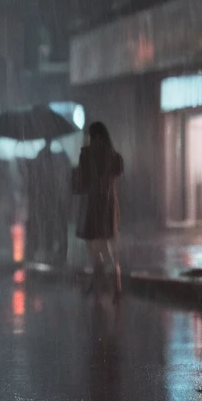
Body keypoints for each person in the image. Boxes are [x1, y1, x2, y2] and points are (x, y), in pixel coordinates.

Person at [73, 121, 124, 301]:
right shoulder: (111, 156)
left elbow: (82, 183)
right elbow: (116, 172)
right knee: (102, 246)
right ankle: (109, 285)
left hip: (95, 207)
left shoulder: (88, 155)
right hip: (105, 206)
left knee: (98, 247)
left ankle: (105, 285)